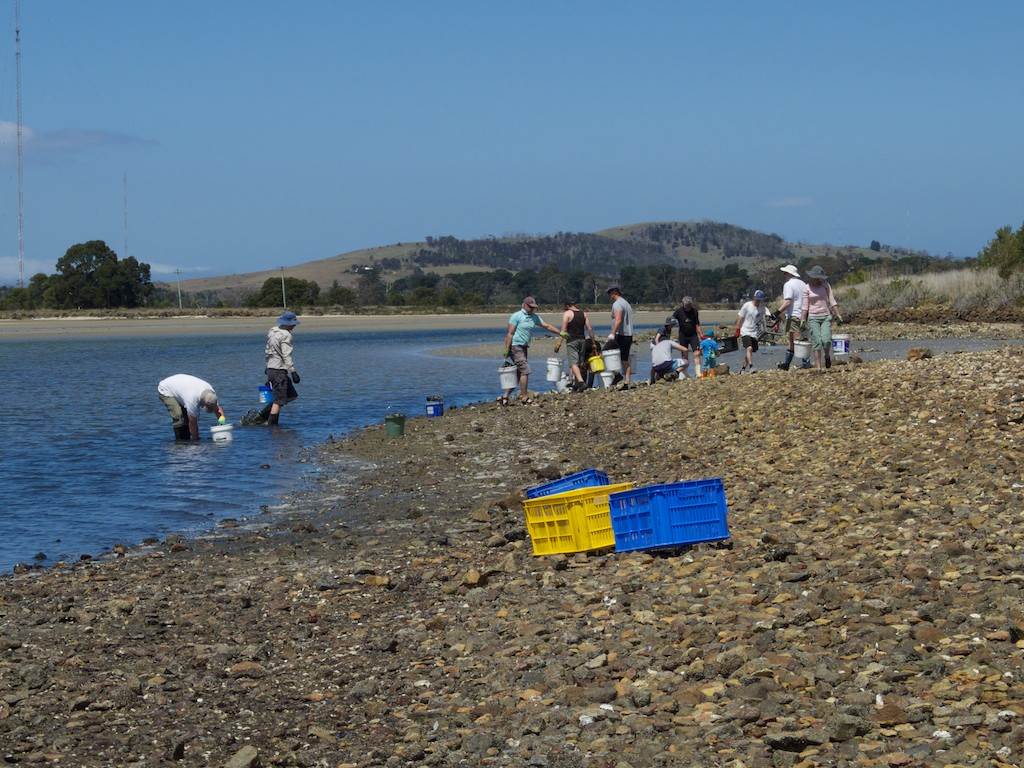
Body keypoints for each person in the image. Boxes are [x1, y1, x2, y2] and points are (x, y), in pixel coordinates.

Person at [501, 296, 563, 404]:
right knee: (525, 370)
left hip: (524, 346)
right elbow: (510, 333)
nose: (532, 309)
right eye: (530, 307)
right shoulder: (516, 316)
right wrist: (506, 349)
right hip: (515, 346)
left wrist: (560, 333)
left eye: (533, 307)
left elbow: (546, 326)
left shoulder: (534, 317)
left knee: (519, 373)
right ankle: (524, 397)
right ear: (524, 305)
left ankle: (505, 396)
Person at [157, 373, 224, 441]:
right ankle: (180, 443)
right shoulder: (192, 400)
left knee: (186, 418)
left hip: (181, 388)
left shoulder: (211, 394)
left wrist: (222, 426)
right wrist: (196, 440)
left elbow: (218, 410)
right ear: (204, 404)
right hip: (166, 389)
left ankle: (187, 440)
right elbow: (193, 422)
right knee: (179, 416)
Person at [801, 265, 843, 371]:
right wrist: (802, 320)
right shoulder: (807, 288)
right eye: (817, 277)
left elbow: (832, 300)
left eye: (820, 277)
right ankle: (819, 367)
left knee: (826, 340)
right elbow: (805, 306)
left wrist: (838, 314)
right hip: (813, 317)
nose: (818, 279)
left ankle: (827, 355)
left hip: (825, 316)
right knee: (817, 342)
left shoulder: (826, 285)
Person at [264, 310, 301, 425]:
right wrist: (293, 372)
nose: (294, 325)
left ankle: (265, 414)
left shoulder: (272, 331)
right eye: (293, 323)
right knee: (279, 401)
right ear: (288, 324)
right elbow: (286, 355)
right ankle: (272, 425)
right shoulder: (286, 335)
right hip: (279, 371)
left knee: (291, 395)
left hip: (271, 369)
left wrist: (267, 367)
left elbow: (267, 351)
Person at [776, 264, 810, 371]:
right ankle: (786, 364)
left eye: (785, 273)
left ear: (789, 274)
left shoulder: (788, 284)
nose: (784, 274)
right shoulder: (803, 284)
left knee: (796, 340)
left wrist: (777, 312)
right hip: (804, 314)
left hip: (794, 315)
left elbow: (788, 301)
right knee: (796, 339)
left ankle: (806, 363)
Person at [560, 299, 594, 393]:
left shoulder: (567, 313)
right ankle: (576, 385)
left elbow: (563, 330)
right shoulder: (583, 314)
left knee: (573, 363)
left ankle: (581, 382)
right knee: (580, 363)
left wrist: (560, 341)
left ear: (567, 306)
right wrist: (593, 342)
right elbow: (589, 329)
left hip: (572, 340)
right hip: (582, 340)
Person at [606, 286, 634, 387]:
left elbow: (618, 320)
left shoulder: (617, 304)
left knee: (608, 352)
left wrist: (613, 333)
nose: (609, 296)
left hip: (621, 335)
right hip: (628, 334)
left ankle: (618, 375)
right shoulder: (626, 303)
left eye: (609, 294)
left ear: (614, 293)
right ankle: (627, 381)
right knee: (624, 358)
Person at [735, 290, 767, 374]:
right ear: (754, 297)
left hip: (754, 332)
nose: (758, 301)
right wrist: (737, 329)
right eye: (757, 299)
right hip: (745, 330)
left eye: (760, 299)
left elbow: (769, 316)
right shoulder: (747, 305)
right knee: (749, 348)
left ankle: (742, 369)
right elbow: (740, 317)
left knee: (750, 351)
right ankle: (751, 366)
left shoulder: (762, 308)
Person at [672, 296, 704, 372]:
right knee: (684, 355)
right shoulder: (678, 311)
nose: (688, 307)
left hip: (693, 336)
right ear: (683, 304)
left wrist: (701, 334)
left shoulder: (694, 311)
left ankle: (698, 373)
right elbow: (671, 320)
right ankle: (684, 373)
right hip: (683, 336)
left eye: (689, 305)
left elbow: (697, 324)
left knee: (697, 353)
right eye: (687, 306)